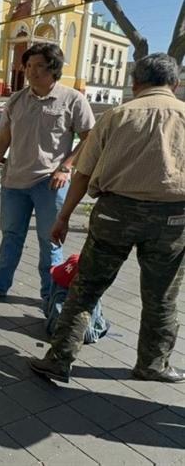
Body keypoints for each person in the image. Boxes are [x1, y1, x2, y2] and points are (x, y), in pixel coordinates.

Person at [30, 53, 185, 384]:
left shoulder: (116, 115)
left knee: (86, 289)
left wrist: (63, 217)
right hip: (172, 219)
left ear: (135, 83)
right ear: (175, 83)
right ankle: (153, 364)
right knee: (162, 297)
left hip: (115, 214)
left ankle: (59, 359)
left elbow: (83, 173)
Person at [0, 43, 95, 305]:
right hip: (14, 183)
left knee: (50, 243)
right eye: (28, 66)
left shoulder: (72, 99)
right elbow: (4, 139)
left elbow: (90, 139)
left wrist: (66, 166)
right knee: (10, 238)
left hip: (49, 183)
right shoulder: (15, 100)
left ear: (53, 69)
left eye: (38, 66)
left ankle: (51, 296)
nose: (31, 71)